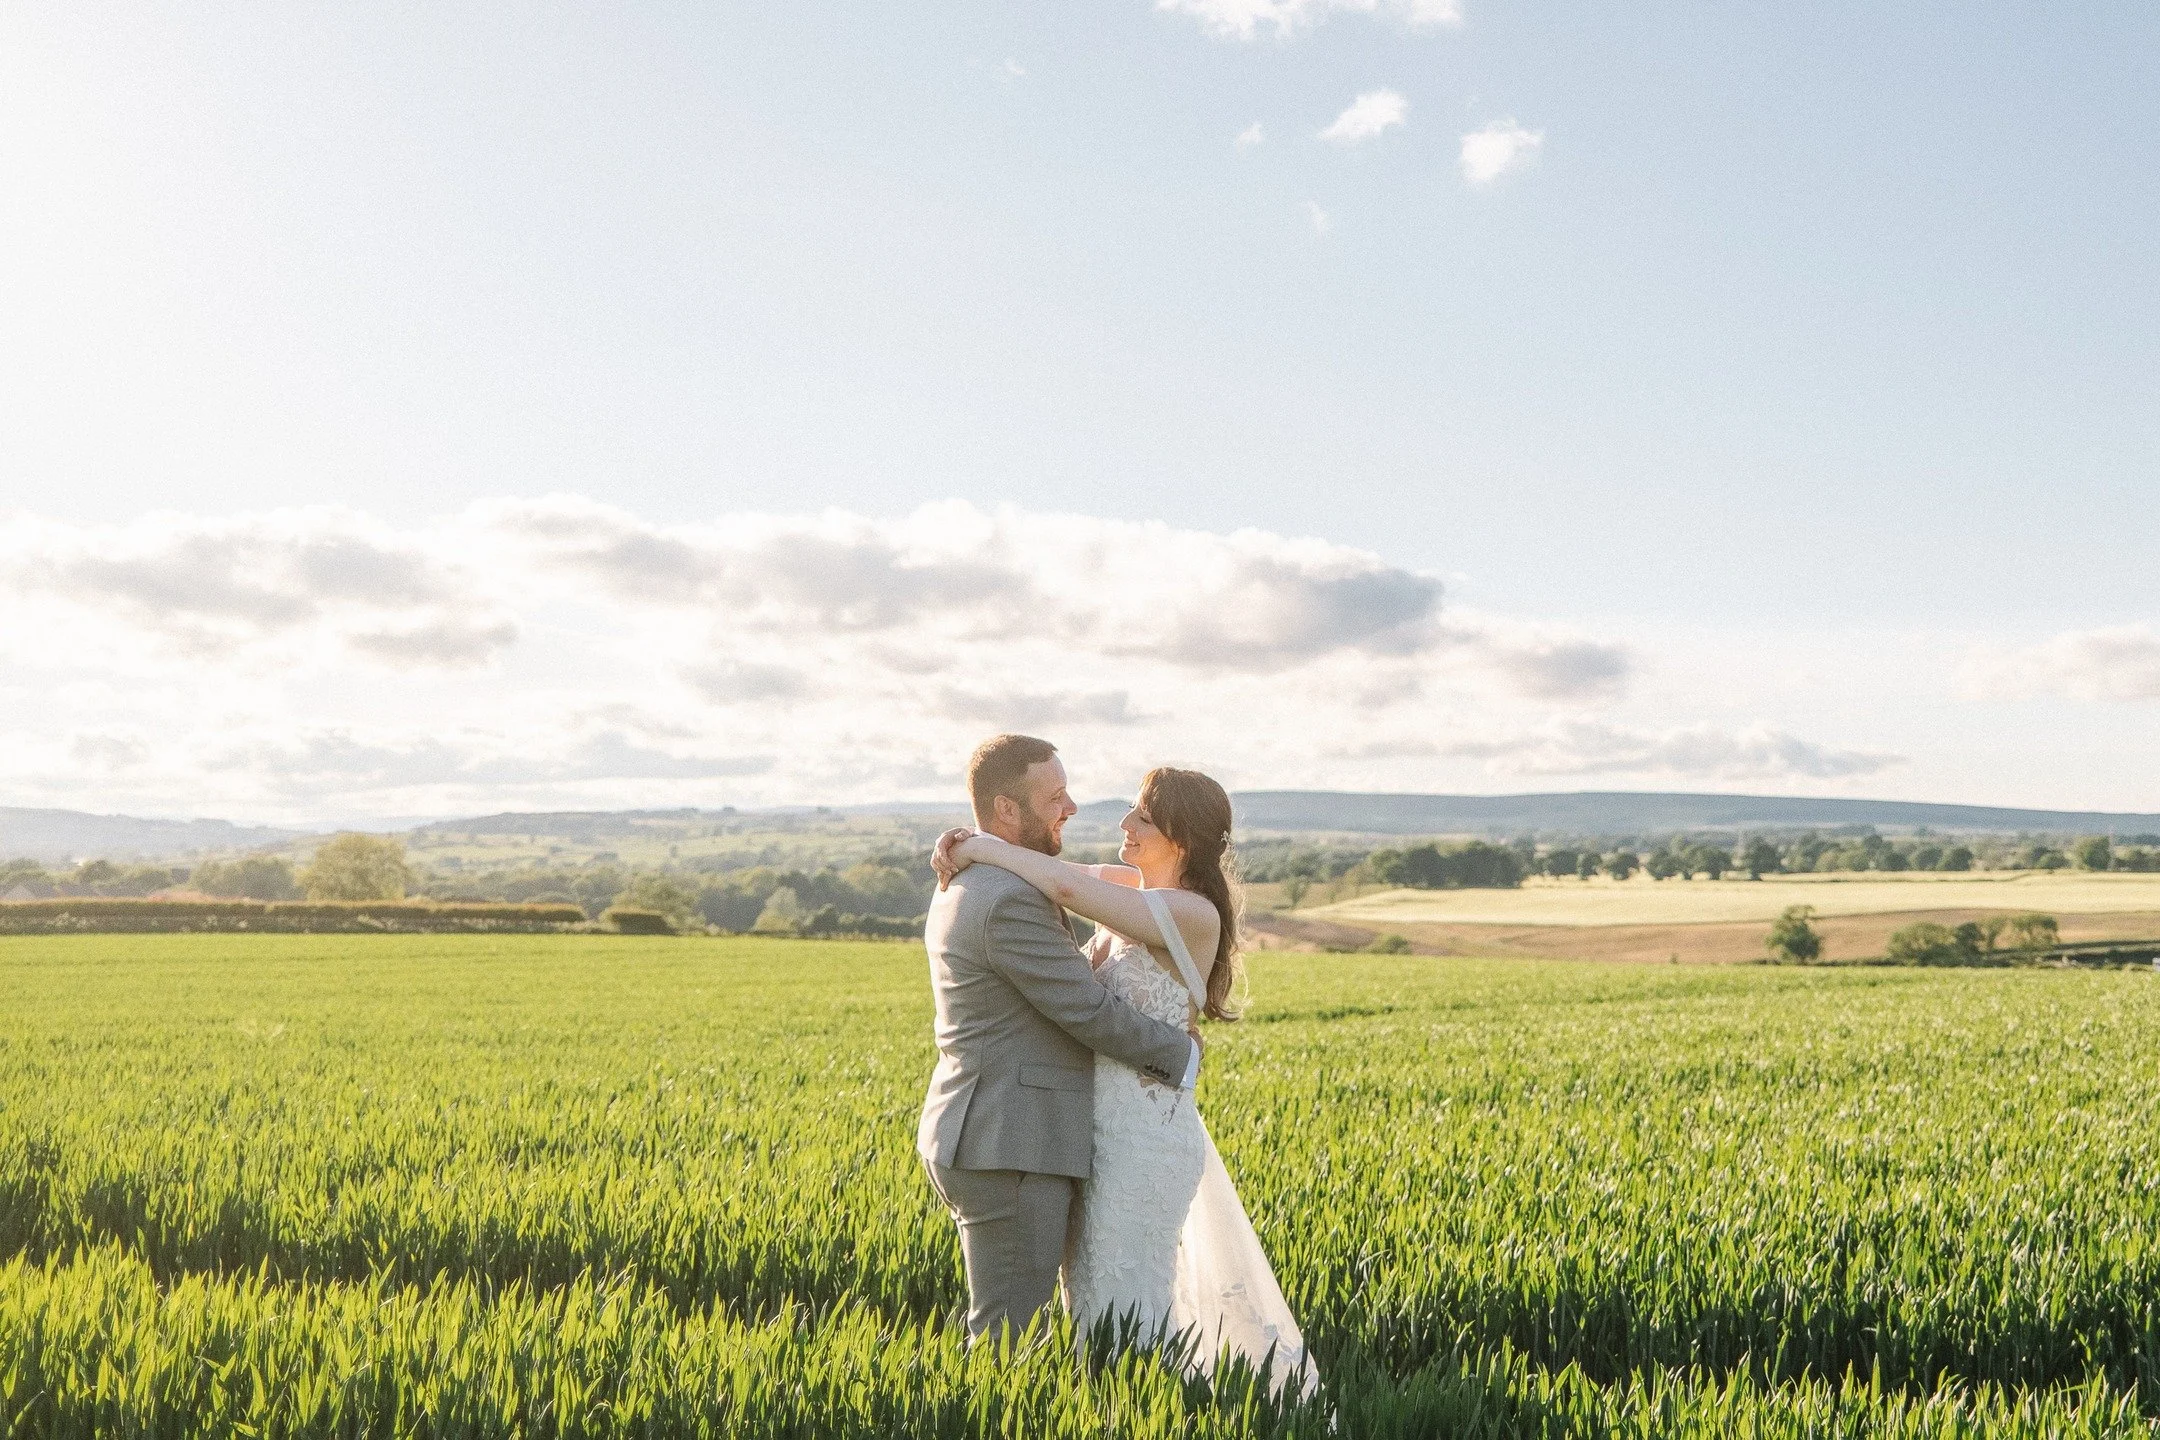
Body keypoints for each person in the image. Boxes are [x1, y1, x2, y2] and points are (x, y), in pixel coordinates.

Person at [931, 760, 1317, 1398]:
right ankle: (1116, 1410)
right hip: (1093, 1135)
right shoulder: (1134, 893)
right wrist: (966, 843)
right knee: (1089, 1312)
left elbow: (1068, 891)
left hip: (1143, 1139)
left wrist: (985, 847)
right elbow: (1067, 876)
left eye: (1143, 815)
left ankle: (1148, 1411)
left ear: (1181, 841)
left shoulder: (1190, 913)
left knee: (1125, 1307)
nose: (1124, 822)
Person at [916, 734, 1202, 1344]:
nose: (1071, 808)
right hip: (1011, 1139)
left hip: (1001, 1131)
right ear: (1006, 812)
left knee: (1020, 1327)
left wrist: (973, 844)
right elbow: (1086, 1008)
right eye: (1055, 797)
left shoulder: (984, 879)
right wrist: (1181, 1054)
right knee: (1004, 1340)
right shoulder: (1007, 898)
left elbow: (1082, 894)